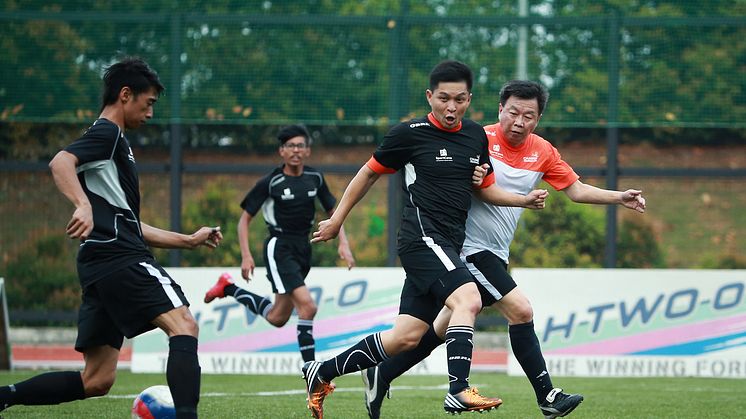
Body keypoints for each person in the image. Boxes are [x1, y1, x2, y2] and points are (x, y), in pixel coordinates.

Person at [361, 80, 647, 419]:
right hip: (466, 247)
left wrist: (619, 197)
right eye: (513, 113)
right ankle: (547, 395)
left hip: (495, 252)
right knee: (521, 310)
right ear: (500, 110)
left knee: (439, 328)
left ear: (538, 119)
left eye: (529, 116)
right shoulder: (476, 138)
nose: (519, 122)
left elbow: (576, 190)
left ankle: (382, 371)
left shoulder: (542, 151)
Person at [302, 61, 548, 419]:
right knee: (469, 298)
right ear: (429, 96)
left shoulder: (476, 135)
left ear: (470, 99)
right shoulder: (408, 133)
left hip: (449, 244)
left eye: (460, 100)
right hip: (421, 239)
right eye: (444, 99)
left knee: (406, 337)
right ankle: (459, 390)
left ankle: (320, 371)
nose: (451, 108)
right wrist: (338, 219)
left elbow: (486, 189)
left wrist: (522, 199)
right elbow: (367, 174)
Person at [0, 58, 223, 418]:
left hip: (99, 263)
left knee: (97, 379)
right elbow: (60, 162)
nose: (150, 113)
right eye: (148, 103)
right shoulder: (107, 134)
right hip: (121, 257)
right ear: (125, 95)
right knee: (184, 325)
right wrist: (81, 204)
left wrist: (188, 240)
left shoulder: (110, 141)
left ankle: (3, 396)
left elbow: (128, 221)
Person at [202, 124, 355, 363]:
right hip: (279, 247)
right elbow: (244, 221)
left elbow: (334, 212)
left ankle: (227, 288)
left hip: (303, 248)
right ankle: (312, 376)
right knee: (308, 307)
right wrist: (246, 255)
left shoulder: (315, 178)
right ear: (281, 151)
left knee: (277, 317)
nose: (296, 150)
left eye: (300, 146)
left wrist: (343, 244)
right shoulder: (270, 182)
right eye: (290, 146)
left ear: (308, 151)